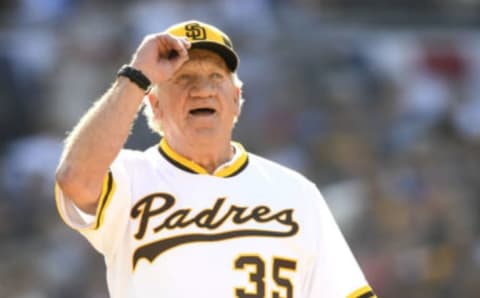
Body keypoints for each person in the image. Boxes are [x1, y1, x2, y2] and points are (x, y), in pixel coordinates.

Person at [55, 20, 377, 298]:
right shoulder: (129, 177)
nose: (202, 90)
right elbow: (75, 179)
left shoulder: (296, 192)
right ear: (154, 105)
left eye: (216, 78)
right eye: (184, 79)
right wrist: (137, 75)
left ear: (236, 100)